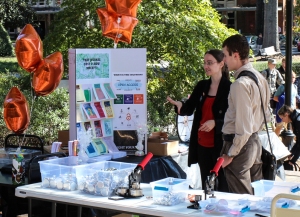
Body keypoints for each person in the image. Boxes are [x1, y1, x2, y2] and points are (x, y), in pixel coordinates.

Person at [166, 49, 231, 192]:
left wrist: (215, 123)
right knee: (206, 184)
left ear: (221, 64)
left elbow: (233, 118)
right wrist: (180, 106)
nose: (206, 66)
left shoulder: (230, 88)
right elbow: (189, 108)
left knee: (222, 186)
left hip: (220, 145)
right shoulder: (202, 85)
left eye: (210, 63)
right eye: (204, 63)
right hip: (202, 144)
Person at [221, 34, 271, 194]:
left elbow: (243, 127)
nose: (224, 61)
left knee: (242, 201)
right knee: (257, 198)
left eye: (225, 55)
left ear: (235, 55)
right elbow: (267, 115)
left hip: (241, 145)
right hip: (255, 141)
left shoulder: (240, 85)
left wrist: (231, 153)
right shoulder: (260, 78)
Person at [273, 71, 298, 136]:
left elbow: (294, 98)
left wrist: (295, 108)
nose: (292, 79)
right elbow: (275, 98)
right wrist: (282, 100)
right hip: (283, 111)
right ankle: (274, 141)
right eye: (291, 77)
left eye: (293, 77)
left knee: (293, 127)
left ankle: (293, 141)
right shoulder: (282, 87)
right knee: (279, 127)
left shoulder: (295, 87)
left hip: (291, 111)